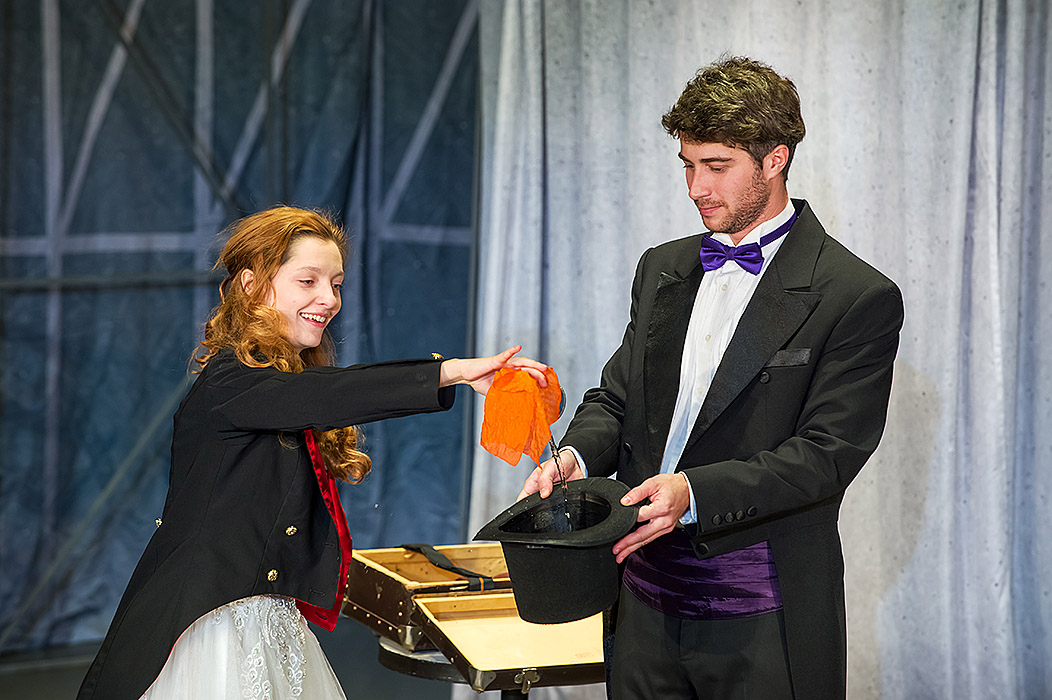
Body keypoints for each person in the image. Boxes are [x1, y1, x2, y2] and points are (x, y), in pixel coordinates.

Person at [519, 56, 904, 700]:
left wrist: (692, 492)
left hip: (761, 614)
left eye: (717, 166)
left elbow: (825, 456)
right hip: (641, 599)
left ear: (775, 160)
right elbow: (618, 397)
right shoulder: (662, 267)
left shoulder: (855, 295)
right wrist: (575, 456)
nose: (696, 187)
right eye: (688, 165)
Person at [76, 205, 547, 700]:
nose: (329, 299)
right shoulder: (232, 380)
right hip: (209, 620)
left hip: (262, 612)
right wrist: (448, 372)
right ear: (251, 285)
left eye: (336, 284)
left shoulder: (280, 381)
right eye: (308, 281)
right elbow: (330, 394)